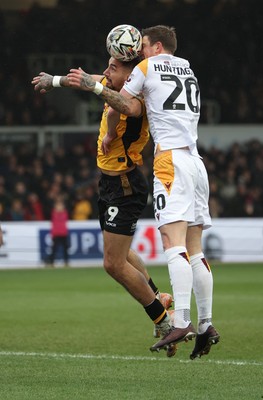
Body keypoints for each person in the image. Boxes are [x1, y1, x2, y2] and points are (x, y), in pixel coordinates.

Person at [67, 25, 220, 360]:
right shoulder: (187, 67)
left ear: (157, 46)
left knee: (172, 243)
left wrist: (95, 87)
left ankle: (177, 321)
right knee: (194, 249)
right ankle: (206, 323)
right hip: (196, 160)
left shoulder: (147, 68)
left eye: (144, 46)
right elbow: (118, 90)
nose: (139, 52)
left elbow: (127, 104)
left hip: (171, 163)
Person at [31, 56, 174, 348]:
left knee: (112, 264)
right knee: (121, 255)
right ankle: (158, 297)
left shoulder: (135, 99)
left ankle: (164, 321)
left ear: (131, 75)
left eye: (113, 68)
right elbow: (97, 82)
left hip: (124, 184)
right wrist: (56, 81)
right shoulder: (117, 85)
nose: (106, 72)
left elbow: (116, 106)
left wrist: (109, 130)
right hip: (110, 184)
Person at [49, 197, 69, 267]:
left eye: (61, 206)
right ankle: (51, 262)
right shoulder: (54, 213)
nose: (60, 207)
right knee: (54, 249)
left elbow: (63, 217)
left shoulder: (64, 213)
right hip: (56, 234)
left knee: (65, 249)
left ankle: (66, 262)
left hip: (63, 234)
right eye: (58, 206)